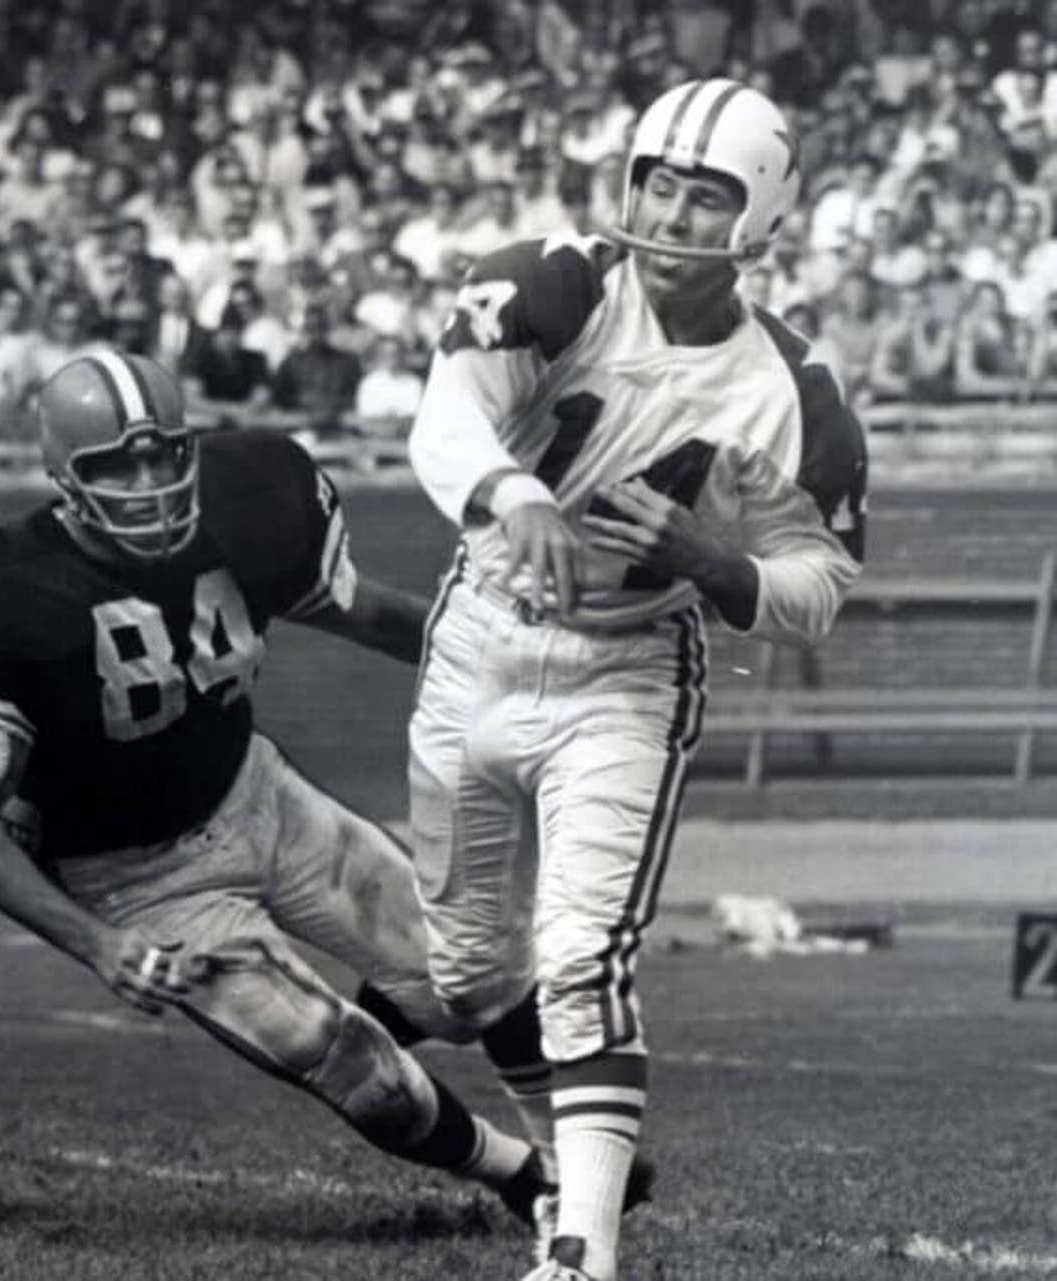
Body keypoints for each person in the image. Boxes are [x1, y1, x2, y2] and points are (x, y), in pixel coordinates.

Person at [0, 348, 557, 1234]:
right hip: (134, 879)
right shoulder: (6, 591)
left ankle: (547, 1132)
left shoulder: (250, 499)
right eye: (117, 467)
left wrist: (516, 668)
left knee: (463, 974)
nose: (149, 485)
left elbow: (360, 610)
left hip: (255, 795)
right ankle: (523, 1174)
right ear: (64, 477)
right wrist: (99, 944)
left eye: (164, 456)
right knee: (350, 1065)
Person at [402, 79, 868, 1281]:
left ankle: (582, 1251)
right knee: (466, 971)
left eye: (705, 196)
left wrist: (715, 561)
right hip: (479, 638)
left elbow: (820, 584)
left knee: (581, 952)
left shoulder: (791, 387)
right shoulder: (558, 284)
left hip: (629, 670)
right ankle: (562, 1170)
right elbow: (445, 416)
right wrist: (515, 494)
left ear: (756, 218)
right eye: (657, 183)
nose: (670, 214)